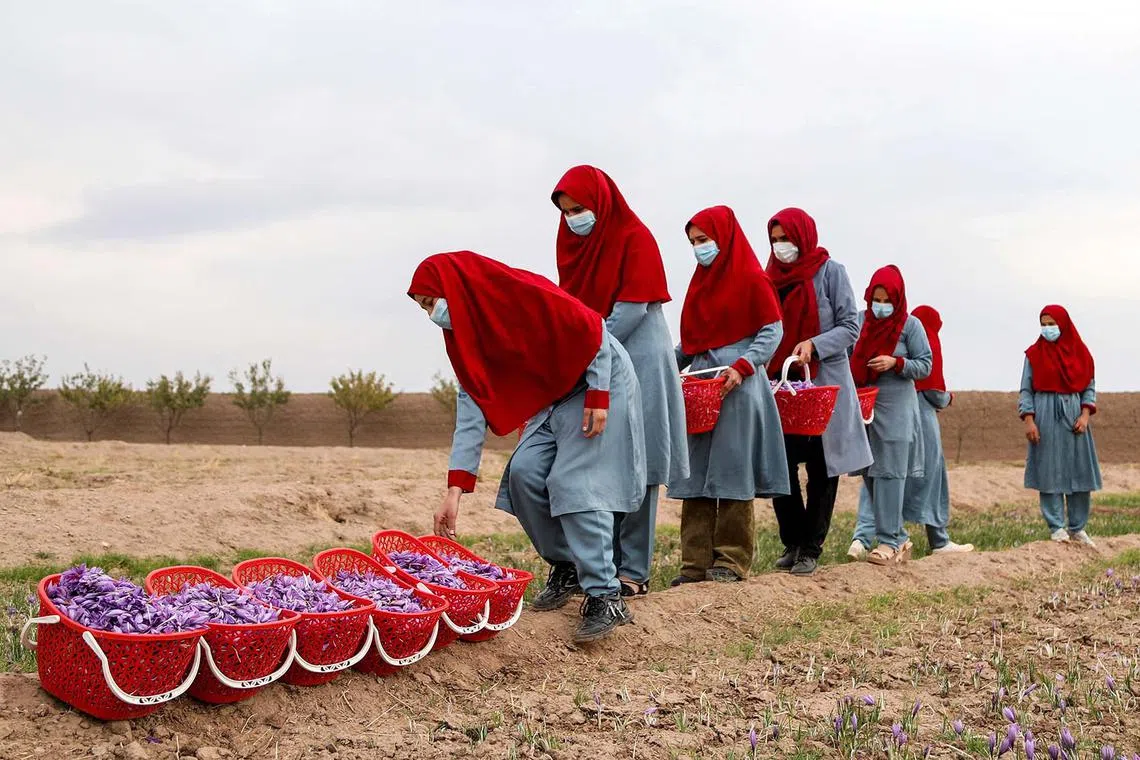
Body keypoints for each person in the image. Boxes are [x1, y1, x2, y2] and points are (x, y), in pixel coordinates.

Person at [410, 251, 647, 643]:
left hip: (599, 378)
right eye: (423, 308)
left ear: (455, 288)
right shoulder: (466, 340)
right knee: (524, 473)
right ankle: (568, 565)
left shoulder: (516, 293)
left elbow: (592, 330)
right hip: (556, 396)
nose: (431, 314)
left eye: (432, 302)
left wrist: (600, 395)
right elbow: (470, 413)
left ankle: (606, 596)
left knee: (575, 481)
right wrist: (454, 491)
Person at [551, 165, 690, 598]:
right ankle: (601, 566)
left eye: (581, 208)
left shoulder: (635, 238)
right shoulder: (574, 247)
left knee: (640, 461)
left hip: (639, 355)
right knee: (601, 461)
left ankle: (634, 570)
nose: (575, 218)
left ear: (602, 201)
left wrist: (587, 354)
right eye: (567, 211)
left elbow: (629, 312)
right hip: (599, 357)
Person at [668, 205, 790, 585]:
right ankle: (694, 564)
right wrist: (665, 365)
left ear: (725, 237)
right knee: (696, 474)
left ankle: (731, 561)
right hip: (703, 389)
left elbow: (772, 331)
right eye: (693, 242)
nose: (698, 249)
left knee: (733, 473)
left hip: (739, 388)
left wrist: (743, 364)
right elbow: (690, 342)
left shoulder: (753, 280)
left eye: (704, 240)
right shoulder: (700, 286)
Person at [764, 208, 872, 576]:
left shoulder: (831, 272)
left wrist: (814, 342)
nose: (781, 247)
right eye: (775, 240)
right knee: (783, 463)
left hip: (823, 383)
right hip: (784, 384)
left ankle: (811, 548)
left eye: (786, 239)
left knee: (822, 467)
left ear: (804, 236)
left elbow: (849, 326)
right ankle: (791, 540)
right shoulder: (770, 277)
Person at [850, 305, 974, 555]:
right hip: (918, 416)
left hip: (874, 407)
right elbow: (934, 392)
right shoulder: (924, 340)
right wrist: (949, 398)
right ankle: (937, 538)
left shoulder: (891, 333)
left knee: (876, 473)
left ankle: (863, 538)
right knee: (926, 476)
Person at [846, 265, 932, 566]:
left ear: (897, 299)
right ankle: (898, 537)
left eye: (887, 300)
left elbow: (925, 365)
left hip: (896, 407)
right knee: (870, 472)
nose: (880, 307)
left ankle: (888, 541)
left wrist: (896, 363)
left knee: (891, 474)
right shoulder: (859, 321)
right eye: (875, 300)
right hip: (865, 406)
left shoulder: (911, 326)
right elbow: (846, 356)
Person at [1019, 305, 1102, 545]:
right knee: (1049, 471)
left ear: (1063, 324)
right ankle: (1056, 527)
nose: (1047, 329)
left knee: (1079, 470)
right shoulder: (1034, 354)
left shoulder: (1081, 353)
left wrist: (1085, 416)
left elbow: (1089, 386)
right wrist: (1029, 420)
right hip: (1044, 414)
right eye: (1043, 325)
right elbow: (1026, 389)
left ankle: (1078, 527)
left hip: (1075, 415)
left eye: (1051, 324)